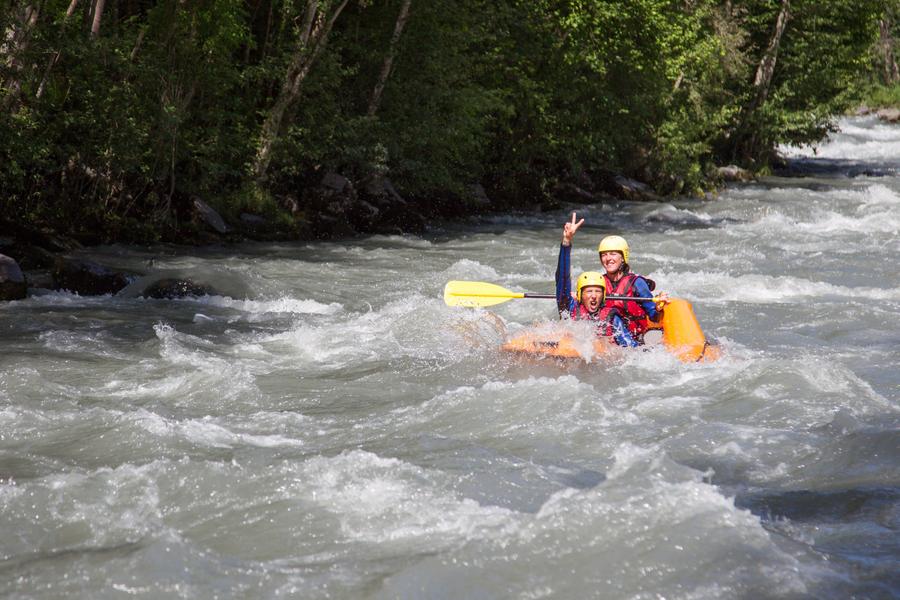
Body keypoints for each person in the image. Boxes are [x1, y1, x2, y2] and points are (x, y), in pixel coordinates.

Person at [556, 213, 638, 347]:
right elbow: (562, 278)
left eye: (597, 291)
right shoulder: (569, 307)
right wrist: (566, 241)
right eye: (588, 291)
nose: (593, 296)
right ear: (580, 295)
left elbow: (630, 347)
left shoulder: (611, 317)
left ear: (604, 295)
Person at [597, 234, 668, 343]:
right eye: (604, 254)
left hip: (633, 343)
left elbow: (654, 317)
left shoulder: (637, 283)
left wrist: (658, 308)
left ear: (622, 257)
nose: (608, 258)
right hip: (606, 343)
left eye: (613, 254)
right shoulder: (598, 283)